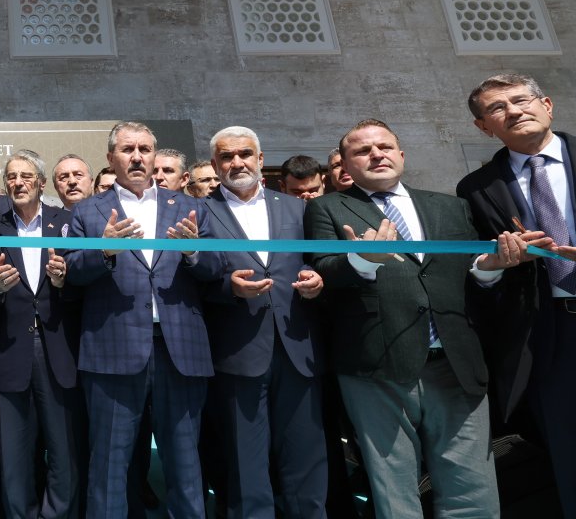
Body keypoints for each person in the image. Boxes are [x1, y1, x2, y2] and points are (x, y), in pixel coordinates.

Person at [305, 118, 528, 519]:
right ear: (345, 164)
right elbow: (324, 269)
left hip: (455, 362)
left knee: (471, 484)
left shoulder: (450, 206)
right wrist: (362, 259)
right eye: (362, 151)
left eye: (385, 147)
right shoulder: (328, 208)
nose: (376, 154)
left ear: (401, 155)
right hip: (376, 366)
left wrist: (490, 268)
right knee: (395, 487)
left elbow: (469, 276)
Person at [66, 121, 221, 518]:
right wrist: (104, 251)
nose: (137, 156)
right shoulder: (87, 211)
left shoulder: (190, 207)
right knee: (109, 468)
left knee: (186, 467)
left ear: (155, 156)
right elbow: (71, 273)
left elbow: (216, 268)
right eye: (127, 149)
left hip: (180, 351)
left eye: (145, 149)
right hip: (113, 352)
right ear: (110, 158)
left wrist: (193, 254)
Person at [456, 73, 576, 516]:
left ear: (547, 104)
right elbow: (479, 276)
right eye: (497, 108)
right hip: (549, 333)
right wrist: (497, 267)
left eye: (521, 100)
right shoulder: (475, 189)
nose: (514, 110)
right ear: (483, 127)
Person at [201, 127, 327, 518]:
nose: (236, 162)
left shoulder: (297, 208)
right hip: (238, 352)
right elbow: (185, 279)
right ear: (214, 165)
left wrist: (316, 278)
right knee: (246, 464)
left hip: (297, 346)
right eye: (226, 156)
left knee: (307, 457)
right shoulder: (198, 210)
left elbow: (315, 259)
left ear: (259, 159)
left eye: (244, 154)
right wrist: (228, 288)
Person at [0, 150, 81, 518]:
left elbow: (87, 286)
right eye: (11, 177)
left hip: (58, 350)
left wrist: (64, 282)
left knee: (63, 450)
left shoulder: (69, 222)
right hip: (9, 351)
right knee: (13, 453)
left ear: (42, 183)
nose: (18, 182)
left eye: (26, 176)